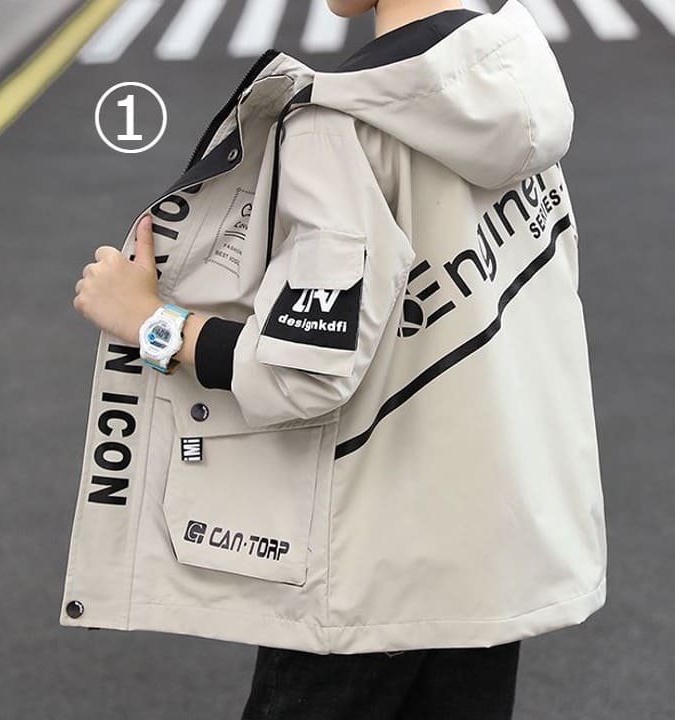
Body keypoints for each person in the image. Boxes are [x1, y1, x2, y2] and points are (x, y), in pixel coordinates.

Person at [71, 0, 606, 718]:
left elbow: (300, 372)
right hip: (492, 559)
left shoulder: (340, 127)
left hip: (371, 574)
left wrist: (149, 322)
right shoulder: (516, 82)